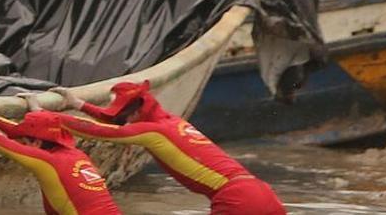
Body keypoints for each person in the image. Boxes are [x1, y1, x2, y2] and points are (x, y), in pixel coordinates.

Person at [51, 82, 286, 215]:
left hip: (237, 199)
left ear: (136, 111)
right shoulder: (172, 122)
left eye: (125, 115)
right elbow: (116, 122)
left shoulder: (153, 132)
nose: (125, 120)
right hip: (262, 192)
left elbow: (102, 132)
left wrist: (46, 118)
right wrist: (78, 104)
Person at [0, 95, 121, 215]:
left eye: (24, 142)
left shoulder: (48, 161)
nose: (22, 146)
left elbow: (2, 144)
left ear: (37, 143)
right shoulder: (76, 153)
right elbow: (19, 133)